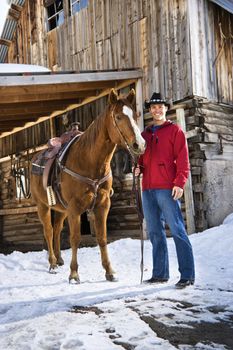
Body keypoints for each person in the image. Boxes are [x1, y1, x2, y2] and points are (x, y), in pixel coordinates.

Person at [135, 92, 195, 288]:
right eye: (153, 107)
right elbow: (142, 160)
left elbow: (183, 160)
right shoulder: (145, 134)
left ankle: (187, 275)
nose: (157, 110)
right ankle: (160, 273)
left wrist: (179, 182)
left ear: (165, 109)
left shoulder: (175, 131)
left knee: (177, 229)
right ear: (150, 110)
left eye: (160, 107)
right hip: (148, 190)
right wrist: (138, 168)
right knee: (154, 232)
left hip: (167, 188)